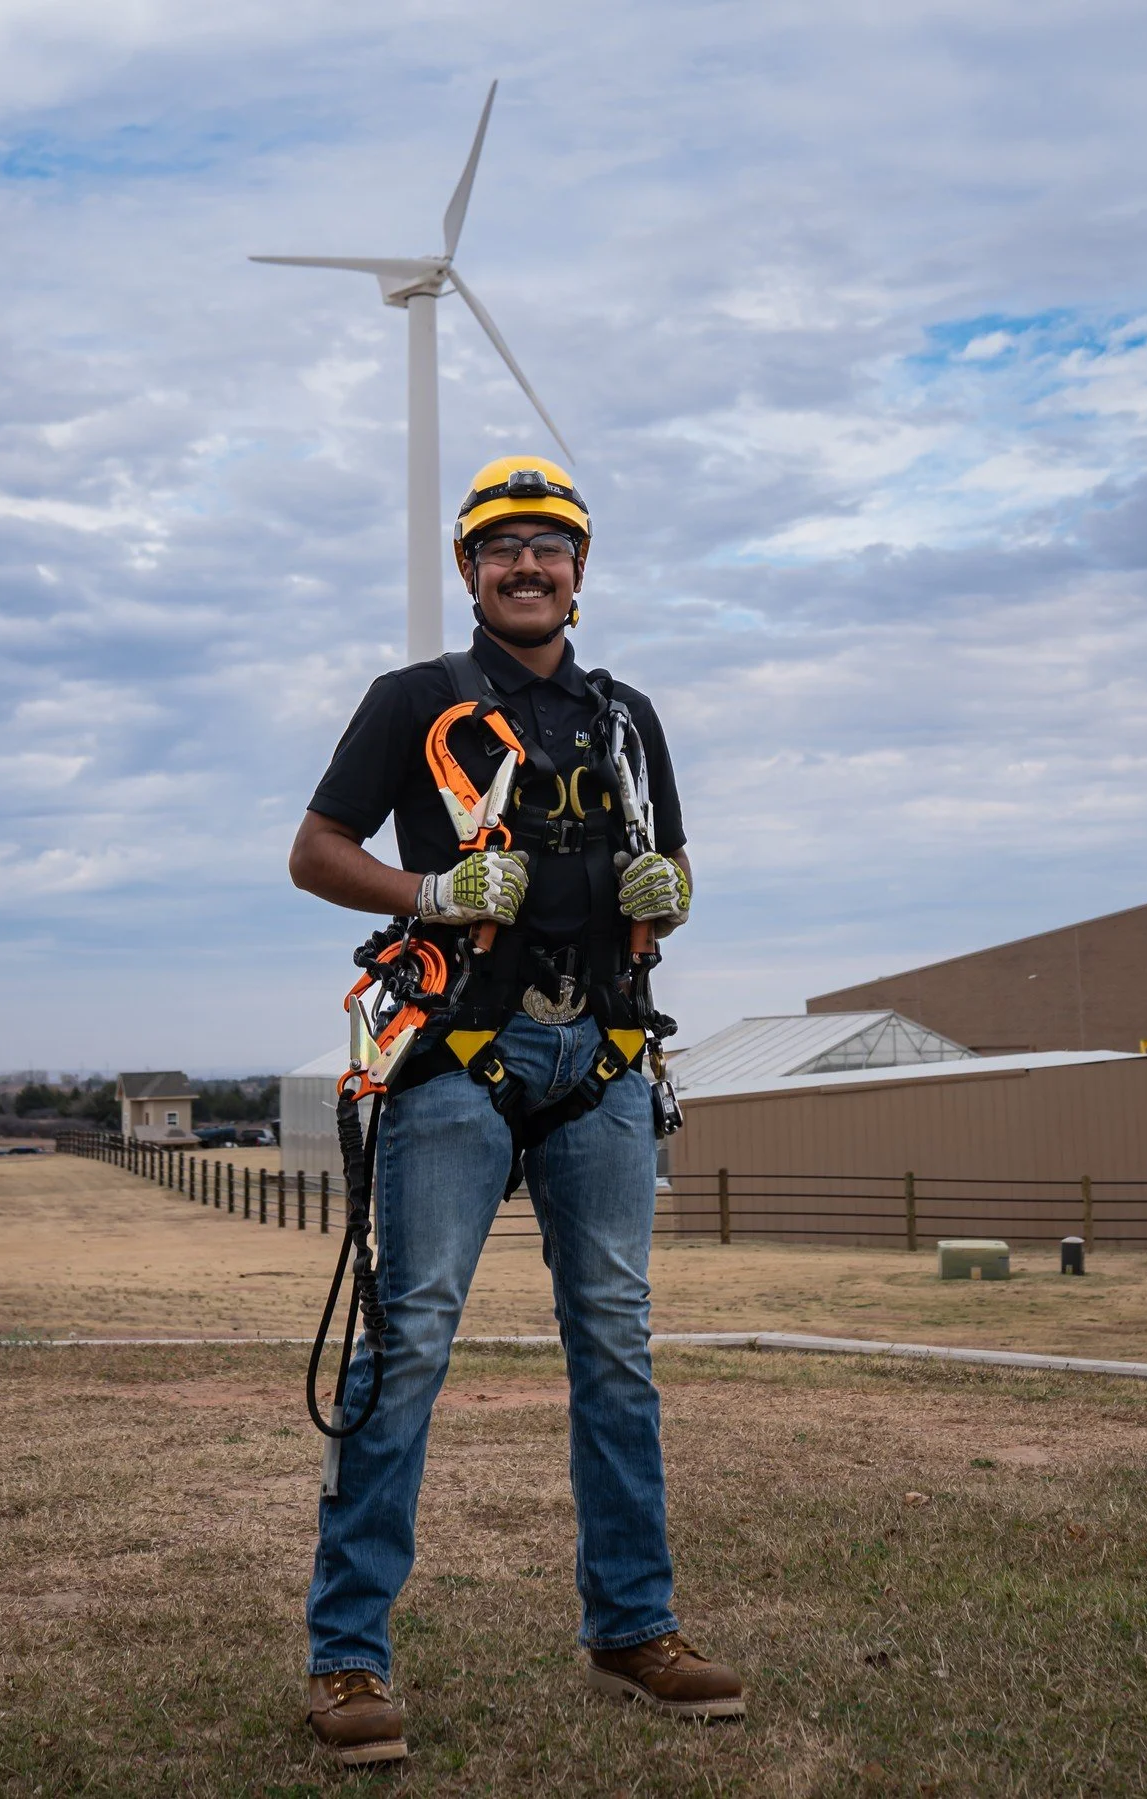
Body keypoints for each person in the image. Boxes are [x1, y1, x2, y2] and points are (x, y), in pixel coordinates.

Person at [288, 455, 745, 1767]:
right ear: (469, 570)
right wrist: (428, 894)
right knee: (411, 1341)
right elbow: (315, 850)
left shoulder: (625, 716)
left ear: (579, 573)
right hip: (453, 1063)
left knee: (615, 1343)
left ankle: (633, 1626)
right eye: (503, 549)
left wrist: (671, 891)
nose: (527, 567)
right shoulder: (413, 701)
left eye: (550, 548)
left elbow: (657, 878)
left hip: (600, 1055)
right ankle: (347, 1655)